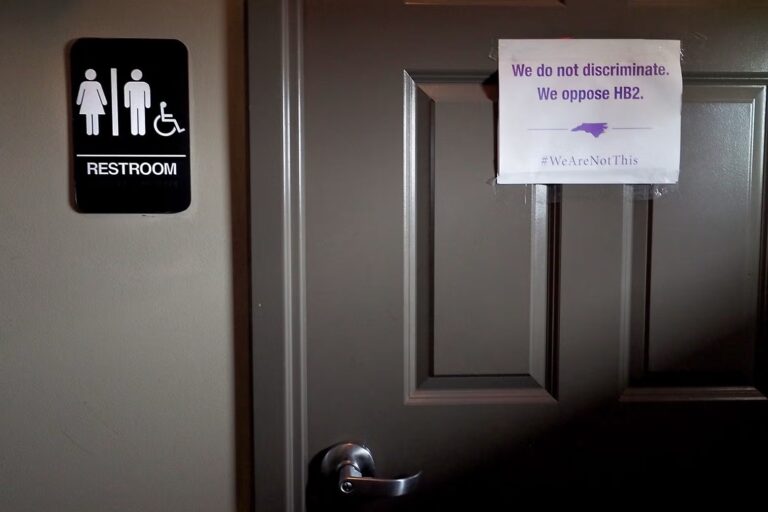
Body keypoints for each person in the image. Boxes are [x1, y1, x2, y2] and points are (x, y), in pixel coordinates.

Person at [76, 69, 107, 136]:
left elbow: (101, 93)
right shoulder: (85, 84)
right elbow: (80, 94)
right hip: (91, 103)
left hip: (92, 104)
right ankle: (91, 131)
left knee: (92, 116)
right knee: (90, 116)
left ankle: (94, 131)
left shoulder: (95, 84)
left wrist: (79, 102)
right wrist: (104, 102)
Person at [124, 69, 151, 135]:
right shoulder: (129, 85)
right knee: (135, 115)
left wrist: (147, 104)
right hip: (135, 103)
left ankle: (138, 131)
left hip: (139, 103)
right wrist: (127, 104)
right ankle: (136, 131)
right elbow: (126, 95)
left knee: (138, 115)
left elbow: (147, 95)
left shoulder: (144, 85)